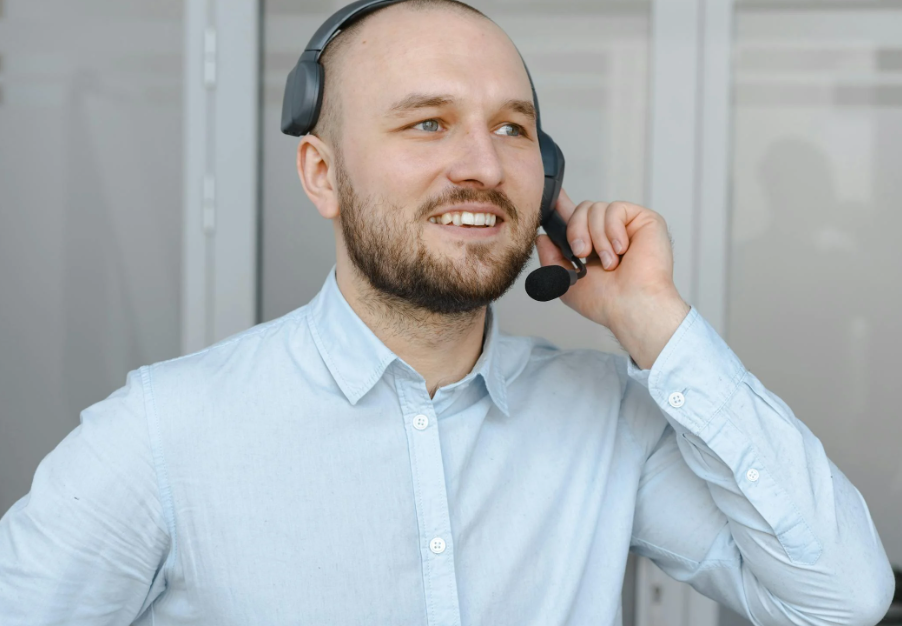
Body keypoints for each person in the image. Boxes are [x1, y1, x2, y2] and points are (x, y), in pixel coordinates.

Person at [0, 1, 894, 624]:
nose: (483, 165)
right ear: (321, 175)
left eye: (512, 128)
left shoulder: (607, 418)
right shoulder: (160, 434)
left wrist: (653, 322)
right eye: (427, 123)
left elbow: (840, 599)